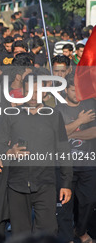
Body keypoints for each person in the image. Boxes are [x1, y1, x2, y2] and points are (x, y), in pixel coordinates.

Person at [0, 73, 73, 236]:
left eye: (37, 91)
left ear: (45, 93)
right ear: (23, 90)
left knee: (48, 232)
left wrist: (66, 183)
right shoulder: (10, 115)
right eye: (29, 91)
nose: (33, 95)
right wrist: (9, 152)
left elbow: (63, 150)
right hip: (17, 184)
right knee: (21, 234)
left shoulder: (54, 116)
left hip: (46, 183)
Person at [55, 74, 96, 243]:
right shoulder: (58, 109)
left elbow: (94, 132)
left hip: (88, 164)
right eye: (73, 90)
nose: (77, 93)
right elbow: (57, 134)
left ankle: (79, 230)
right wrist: (80, 121)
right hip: (65, 165)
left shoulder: (91, 105)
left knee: (89, 202)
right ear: (66, 89)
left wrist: (69, 132)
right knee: (65, 205)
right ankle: (66, 237)